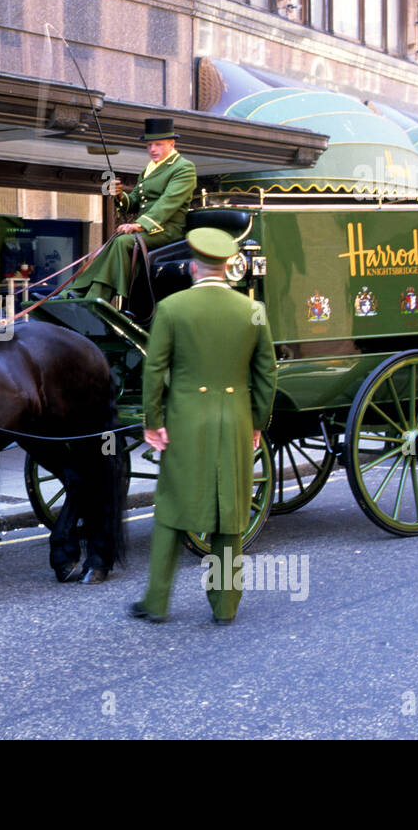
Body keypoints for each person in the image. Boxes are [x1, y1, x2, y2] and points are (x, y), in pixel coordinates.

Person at [129, 227, 277, 626]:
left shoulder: (172, 308)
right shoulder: (254, 310)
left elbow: (155, 369)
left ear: (193, 266)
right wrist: (258, 422)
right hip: (235, 419)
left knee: (172, 510)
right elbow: (267, 372)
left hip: (185, 420)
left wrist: (153, 422)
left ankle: (157, 601)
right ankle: (225, 606)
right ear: (228, 267)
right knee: (229, 514)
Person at [74, 117, 196, 304]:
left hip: (168, 231)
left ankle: (97, 295)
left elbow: (168, 202)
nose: (152, 150)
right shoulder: (149, 169)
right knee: (114, 242)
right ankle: (79, 290)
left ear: (172, 144)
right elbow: (137, 202)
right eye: (149, 145)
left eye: (158, 144)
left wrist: (140, 224)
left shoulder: (183, 168)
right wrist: (120, 196)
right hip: (149, 230)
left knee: (123, 242)